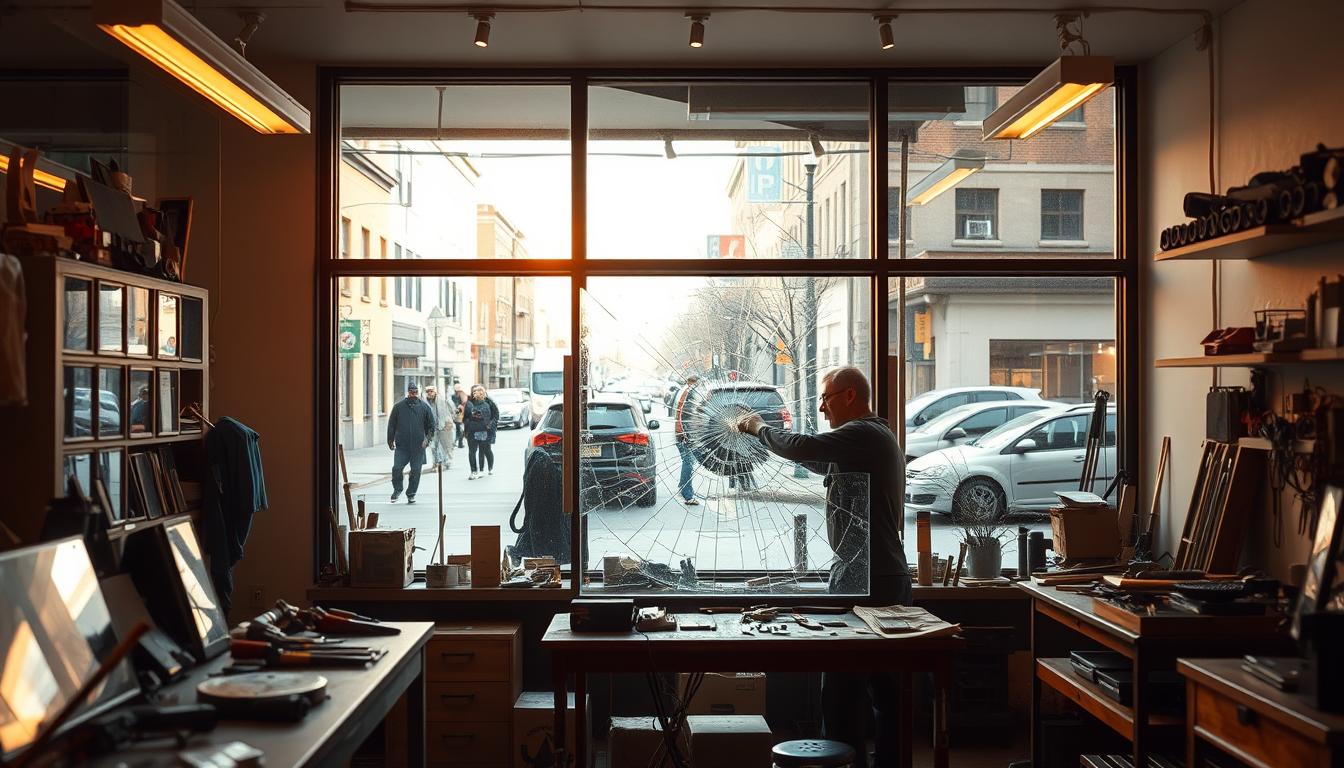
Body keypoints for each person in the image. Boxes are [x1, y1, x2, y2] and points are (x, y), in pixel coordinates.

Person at [735, 366, 909, 768]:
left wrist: (762, 428)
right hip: (870, 575)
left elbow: (804, 445)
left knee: (846, 694)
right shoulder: (867, 439)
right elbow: (812, 454)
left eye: (827, 398)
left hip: (872, 581)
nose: (822, 407)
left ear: (850, 396)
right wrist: (771, 440)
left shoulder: (865, 434)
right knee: (879, 694)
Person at [386, 380, 435, 503]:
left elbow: (431, 426)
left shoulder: (425, 407)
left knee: (416, 471)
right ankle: (397, 489)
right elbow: (391, 425)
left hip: (419, 446)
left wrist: (427, 439)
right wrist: (390, 440)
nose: (413, 394)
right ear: (408, 393)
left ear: (418, 392)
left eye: (415, 392)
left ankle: (411, 493)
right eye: (411, 392)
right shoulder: (398, 407)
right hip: (402, 445)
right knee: (397, 468)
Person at [671, 374, 701, 506]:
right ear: (694, 383)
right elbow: (686, 416)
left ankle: (684, 487)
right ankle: (687, 494)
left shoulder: (683, 391)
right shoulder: (689, 394)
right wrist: (687, 433)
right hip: (684, 434)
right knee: (688, 462)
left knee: (688, 461)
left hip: (681, 432)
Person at [463, 384, 499, 480]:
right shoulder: (469, 403)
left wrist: (490, 425)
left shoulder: (488, 402)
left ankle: (489, 467)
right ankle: (474, 471)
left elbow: (494, 415)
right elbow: (465, 416)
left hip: (485, 429)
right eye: (473, 391)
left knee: (486, 450)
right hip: (472, 430)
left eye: (477, 391)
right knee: (472, 451)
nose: (475, 393)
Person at [424, 385, 454, 470]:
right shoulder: (424, 403)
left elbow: (452, 411)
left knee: (444, 445)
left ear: (435, 392)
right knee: (433, 446)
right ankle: (436, 463)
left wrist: (449, 422)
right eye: (428, 391)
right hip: (431, 428)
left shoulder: (442, 401)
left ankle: (445, 462)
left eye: (431, 391)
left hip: (443, 426)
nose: (430, 393)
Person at [452, 382, 468, 448]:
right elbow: (464, 403)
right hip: (460, 414)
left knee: (458, 429)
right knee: (460, 429)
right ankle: (459, 443)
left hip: (457, 414)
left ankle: (457, 443)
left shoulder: (453, 396)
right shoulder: (462, 394)